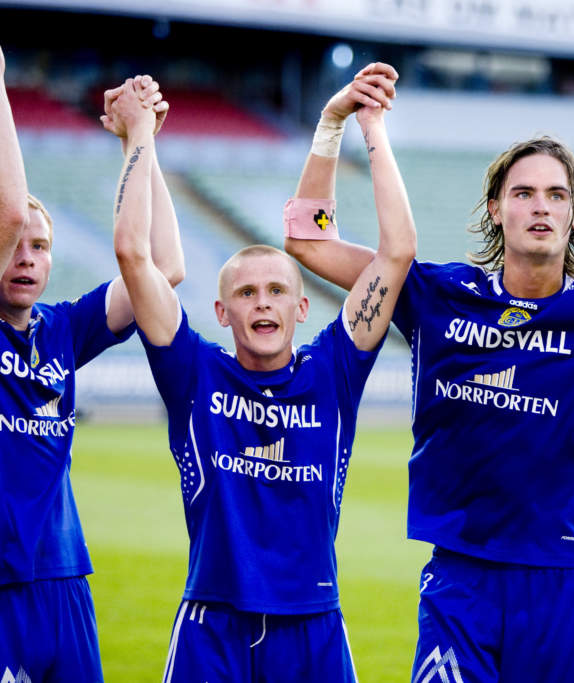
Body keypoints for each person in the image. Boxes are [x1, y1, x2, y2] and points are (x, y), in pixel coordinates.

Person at [286, 55, 574, 682]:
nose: (541, 206)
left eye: (557, 195)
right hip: (461, 576)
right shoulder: (436, 294)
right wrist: (332, 123)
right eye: (524, 192)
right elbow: (308, 242)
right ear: (496, 208)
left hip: (568, 579)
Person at [110, 64, 413, 682]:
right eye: (247, 294)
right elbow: (134, 255)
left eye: (278, 291)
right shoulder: (193, 371)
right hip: (211, 626)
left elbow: (397, 253)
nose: (264, 303)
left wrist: (352, 124)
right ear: (221, 312)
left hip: (314, 626)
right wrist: (138, 139)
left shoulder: (333, 370)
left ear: (303, 308)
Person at [0, 51, 184, 683]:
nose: (26, 258)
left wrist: (143, 142)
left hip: (63, 577)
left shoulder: (62, 329)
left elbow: (163, 270)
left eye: (42, 247)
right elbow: (6, 211)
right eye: (15, 245)